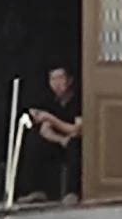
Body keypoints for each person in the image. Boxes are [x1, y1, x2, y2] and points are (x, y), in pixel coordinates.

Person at [17, 65, 84, 198]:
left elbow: (77, 130)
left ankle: (72, 193)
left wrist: (51, 119)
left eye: (60, 78)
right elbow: (45, 131)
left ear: (69, 80)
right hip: (59, 142)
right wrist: (61, 139)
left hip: (77, 143)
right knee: (34, 140)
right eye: (52, 79)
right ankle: (36, 190)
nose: (57, 83)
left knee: (74, 144)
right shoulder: (51, 102)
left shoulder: (78, 100)